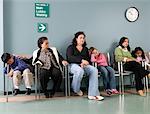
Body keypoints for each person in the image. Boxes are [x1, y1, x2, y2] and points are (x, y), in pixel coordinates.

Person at [66, 31, 104, 100]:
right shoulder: (70, 47)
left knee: (94, 70)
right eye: (80, 38)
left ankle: (93, 94)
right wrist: (81, 60)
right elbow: (70, 58)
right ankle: (76, 89)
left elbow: (88, 59)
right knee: (79, 71)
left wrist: (84, 63)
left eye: (83, 38)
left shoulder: (85, 49)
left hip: (83, 65)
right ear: (76, 39)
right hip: (72, 65)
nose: (82, 39)